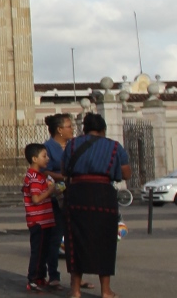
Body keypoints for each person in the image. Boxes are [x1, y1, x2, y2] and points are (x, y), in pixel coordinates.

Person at [62, 113, 130, 298]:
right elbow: (126, 174)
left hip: (77, 195)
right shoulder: (114, 147)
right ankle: (106, 291)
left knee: (75, 241)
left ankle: (75, 290)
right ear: (103, 129)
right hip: (103, 196)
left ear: (84, 129)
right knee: (105, 242)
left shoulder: (72, 145)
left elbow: (65, 170)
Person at [43, 113, 74, 290]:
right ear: (60, 130)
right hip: (56, 198)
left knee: (74, 239)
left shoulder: (73, 146)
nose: (72, 129)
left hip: (73, 195)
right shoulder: (48, 148)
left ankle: (76, 276)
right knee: (55, 237)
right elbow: (44, 171)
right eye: (69, 126)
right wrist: (63, 177)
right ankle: (53, 275)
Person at [23, 143, 57, 292]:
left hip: (45, 220)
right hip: (38, 221)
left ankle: (40, 277)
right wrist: (49, 191)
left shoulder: (41, 176)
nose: (47, 158)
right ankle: (33, 279)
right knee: (38, 251)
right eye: (44, 156)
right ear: (34, 159)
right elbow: (36, 199)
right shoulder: (34, 177)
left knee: (44, 251)